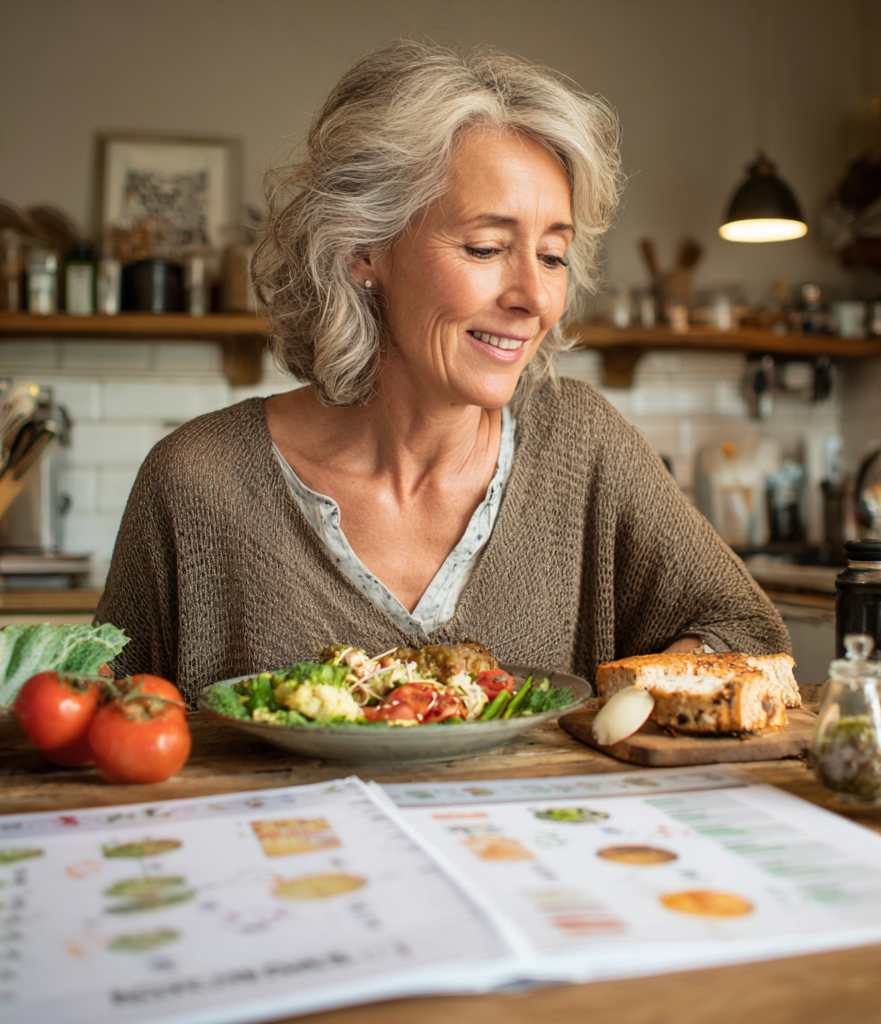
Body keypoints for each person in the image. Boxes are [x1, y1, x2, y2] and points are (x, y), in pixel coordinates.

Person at [96, 40, 790, 707]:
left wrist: (632, 707)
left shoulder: (583, 446)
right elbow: (96, 730)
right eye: (487, 248)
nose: (534, 297)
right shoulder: (194, 484)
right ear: (362, 250)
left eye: (552, 256)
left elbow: (745, 631)